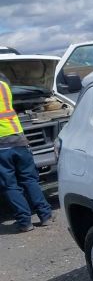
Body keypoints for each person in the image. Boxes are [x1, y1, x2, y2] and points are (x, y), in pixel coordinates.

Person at [0, 71, 53, 232]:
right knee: (30, 179)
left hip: (2, 147)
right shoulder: (3, 85)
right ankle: (45, 216)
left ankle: (25, 222)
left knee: (10, 186)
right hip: (19, 140)